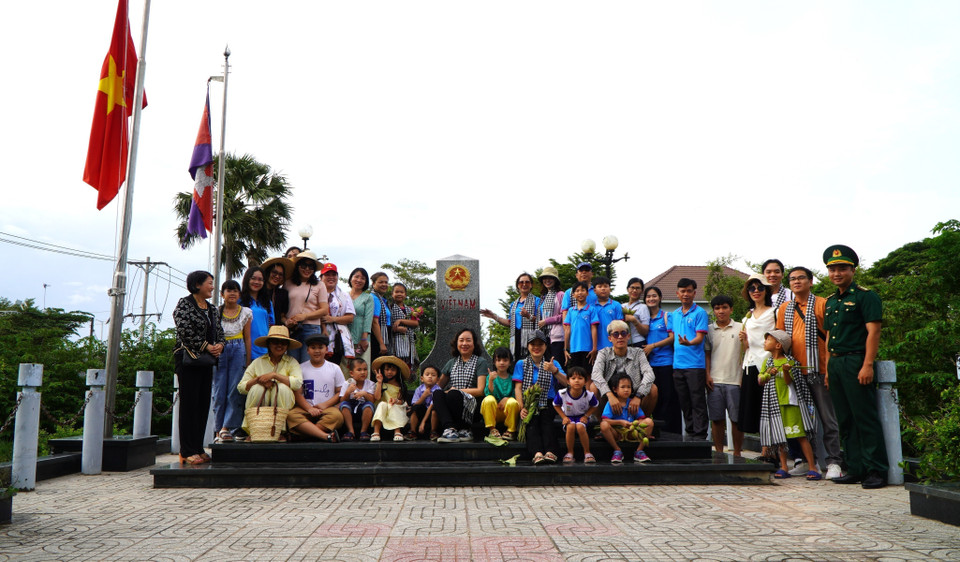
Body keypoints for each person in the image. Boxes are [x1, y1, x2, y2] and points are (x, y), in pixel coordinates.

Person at [823, 244, 888, 489]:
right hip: (836, 363)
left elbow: (874, 332)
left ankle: (876, 470)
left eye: (842, 268)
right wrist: (828, 369)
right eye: (832, 269)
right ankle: (855, 467)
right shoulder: (830, 301)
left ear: (853, 270)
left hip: (856, 360)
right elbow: (828, 337)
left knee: (864, 417)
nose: (837, 273)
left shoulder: (865, 296)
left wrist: (867, 364)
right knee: (845, 419)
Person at [777, 266, 844, 480]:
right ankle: (809, 462)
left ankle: (834, 462)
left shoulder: (823, 304)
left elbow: (832, 337)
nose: (796, 282)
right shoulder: (785, 308)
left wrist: (830, 369)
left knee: (828, 419)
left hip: (820, 370)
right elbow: (780, 340)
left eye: (801, 278)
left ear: (811, 281)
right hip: (795, 372)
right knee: (802, 420)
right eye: (792, 279)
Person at [173, 270, 225, 464]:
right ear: (197, 285)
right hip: (188, 361)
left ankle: (197, 447)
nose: (212, 286)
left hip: (206, 362)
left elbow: (219, 332)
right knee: (189, 405)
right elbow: (184, 330)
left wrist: (220, 345)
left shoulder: (212, 309)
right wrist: (206, 346)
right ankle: (186, 451)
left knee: (203, 405)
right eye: (209, 283)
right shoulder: (184, 304)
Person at [759, 330, 820, 480]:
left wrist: (786, 371)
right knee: (780, 437)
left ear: (778, 345)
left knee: (800, 435)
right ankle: (784, 467)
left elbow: (788, 382)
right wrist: (768, 374)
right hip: (775, 404)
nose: (765, 342)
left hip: (790, 403)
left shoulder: (790, 361)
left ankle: (812, 467)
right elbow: (760, 380)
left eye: (768, 339)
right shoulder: (767, 362)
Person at [237, 325, 303, 441]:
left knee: (282, 389)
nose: (279, 345)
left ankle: (280, 431)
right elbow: (241, 387)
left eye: (283, 343)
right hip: (260, 403)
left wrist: (275, 376)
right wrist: (258, 380)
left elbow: (297, 383)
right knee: (257, 389)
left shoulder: (292, 362)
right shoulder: (257, 362)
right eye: (275, 342)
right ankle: (254, 429)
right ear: (268, 344)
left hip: (282, 402)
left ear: (287, 346)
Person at [514, 330, 568, 465]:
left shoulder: (553, 363)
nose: (536, 347)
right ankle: (537, 453)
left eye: (540, 344)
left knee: (546, 421)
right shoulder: (521, 364)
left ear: (545, 346)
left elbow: (567, 382)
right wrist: (521, 407)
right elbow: (518, 388)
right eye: (533, 344)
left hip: (548, 402)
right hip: (529, 403)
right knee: (531, 423)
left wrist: (554, 371)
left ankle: (551, 451)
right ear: (528, 346)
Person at [668, 278, 709, 441]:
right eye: (683, 291)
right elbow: (671, 337)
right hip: (677, 365)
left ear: (694, 293)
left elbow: (700, 337)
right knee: (684, 402)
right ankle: (690, 433)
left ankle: (700, 435)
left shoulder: (700, 313)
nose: (686, 294)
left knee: (697, 401)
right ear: (677, 293)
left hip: (695, 365)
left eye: (689, 291)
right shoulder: (674, 314)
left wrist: (689, 343)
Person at [738, 273, 776, 444]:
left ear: (766, 290)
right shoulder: (748, 316)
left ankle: (772, 449)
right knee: (754, 410)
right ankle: (764, 448)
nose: (756, 291)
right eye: (752, 288)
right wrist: (744, 340)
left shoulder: (774, 312)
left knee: (769, 409)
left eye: (760, 287)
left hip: (768, 364)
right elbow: (746, 346)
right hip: (750, 364)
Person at [704, 295, 744, 456]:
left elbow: (747, 351)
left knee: (736, 419)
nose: (721, 311)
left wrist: (743, 377)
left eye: (724, 307)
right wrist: (707, 374)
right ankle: (719, 453)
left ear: (731, 309)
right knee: (717, 419)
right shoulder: (708, 330)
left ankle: (737, 453)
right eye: (717, 308)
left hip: (735, 380)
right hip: (714, 380)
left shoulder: (741, 327)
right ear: (714, 311)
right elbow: (707, 354)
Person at [435, 328, 489, 443]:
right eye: (461, 340)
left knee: (454, 394)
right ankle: (450, 429)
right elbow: (438, 386)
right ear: (456, 343)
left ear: (474, 343)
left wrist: (457, 391)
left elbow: (480, 390)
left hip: (472, 406)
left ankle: (465, 428)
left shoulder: (481, 362)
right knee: (437, 393)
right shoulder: (451, 363)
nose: (464, 343)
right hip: (453, 401)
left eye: (468, 340)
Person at [213, 280, 251, 443]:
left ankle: (227, 427)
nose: (232, 293)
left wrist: (248, 361)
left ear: (239, 294)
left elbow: (247, 337)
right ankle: (217, 429)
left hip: (238, 348)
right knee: (218, 390)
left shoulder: (246, 312)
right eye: (229, 290)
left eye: (235, 290)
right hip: (219, 349)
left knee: (234, 390)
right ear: (222, 294)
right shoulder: (215, 312)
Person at [287, 334, 344, 442]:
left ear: (326, 349)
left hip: (327, 408)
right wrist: (309, 408)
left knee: (337, 416)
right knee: (291, 416)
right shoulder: (300, 368)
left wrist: (325, 404)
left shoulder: (335, 368)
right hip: (306, 409)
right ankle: (324, 436)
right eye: (313, 348)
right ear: (308, 350)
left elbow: (340, 392)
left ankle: (305, 434)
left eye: (320, 347)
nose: (317, 351)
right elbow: (297, 393)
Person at [644, 286, 681, 435]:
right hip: (650, 364)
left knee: (668, 398)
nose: (651, 299)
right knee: (655, 398)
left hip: (666, 362)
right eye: (648, 296)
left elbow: (672, 338)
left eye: (654, 296)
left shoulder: (666, 316)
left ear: (660, 298)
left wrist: (653, 346)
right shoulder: (645, 319)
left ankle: (672, 433)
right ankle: (658, 431)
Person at [481, 273, 542, 360]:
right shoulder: (514, 304)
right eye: (521, 282)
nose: (524, 284)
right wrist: (494, 316)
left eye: (527, 282)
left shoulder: (537, 301)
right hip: (516, 337)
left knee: (530, 360)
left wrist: (528, 316)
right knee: (516, 361)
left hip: (530, 337)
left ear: (531, 285)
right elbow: (510, 323)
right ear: (518, 285)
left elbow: (540, 321)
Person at [284, 251, 329, 362]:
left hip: (311, 328)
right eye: (304, 266)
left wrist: (305, 316)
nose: (307, 269)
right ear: (298, 266)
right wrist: (287, 321)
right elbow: (282, 309)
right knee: (292, 363)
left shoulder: (319, 285)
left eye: (311, 266)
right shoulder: (287, 283)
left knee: (307, 363)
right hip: (292, 328)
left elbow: (324, 310)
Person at [599, 373, 654, 464]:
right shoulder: (611, 403)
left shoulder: (633, 403)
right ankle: (617, 450)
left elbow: (641, 418)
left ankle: (639, 451)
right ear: (615, 389)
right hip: (617, 433)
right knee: (603, 425)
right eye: (623, 387)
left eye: (629, 387)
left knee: (649, 422)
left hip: (631, 432)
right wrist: (620, 422)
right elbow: (605, 420)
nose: (626, 390)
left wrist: (635, 423)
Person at [554, 367, 599, 464]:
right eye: (573, 378)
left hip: (581, 416)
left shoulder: (589, 395)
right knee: (570, 427)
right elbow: (556, 405)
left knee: (580, 427)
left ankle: (587, 453)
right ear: (568, 381)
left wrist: (586, 416)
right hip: (568, 416)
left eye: (580, 378)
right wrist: (564, 417)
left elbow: (595, 406)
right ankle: (570, 453)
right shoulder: (562, 393)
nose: (577, 381)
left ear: (585, 381)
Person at [319, 263, 355, 369]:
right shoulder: (315, 292)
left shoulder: (344, 295)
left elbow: (350, 318)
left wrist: (333, 319)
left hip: (338, 339)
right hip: (319, 334)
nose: (331, 277)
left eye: (333, 275)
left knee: (335, 367)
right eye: (327, 274)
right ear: (321, 277)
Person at [480, 347, 521, 440]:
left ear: (510, 362)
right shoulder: (491, 377)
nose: (502, 363)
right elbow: (488, 393)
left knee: (513, 402)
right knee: (488, 400)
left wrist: (506, 399)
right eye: (498, 360)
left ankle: (511, 431)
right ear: (494, 362)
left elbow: (515, 395)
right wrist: (491, 380)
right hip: (494, 412)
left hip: (507, 412)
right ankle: (492, 429)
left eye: (505, 360)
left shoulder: (513, 378)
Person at [370, 356, 410, 442]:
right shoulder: (380, 384)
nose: (389, 372)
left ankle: (397, 431)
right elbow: (377, 397)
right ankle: (376, 432)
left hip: (396, 407)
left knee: (394, 406)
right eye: (387, 369)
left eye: (393, 370)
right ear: (383, 370)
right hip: (383, 407)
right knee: (382, 404)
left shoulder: (400, 386)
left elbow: (401, 401)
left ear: (397, 371)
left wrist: (396, 401)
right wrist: (379, 383)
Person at [339, 357, 379, 441]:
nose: (363, 372)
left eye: (365, 369)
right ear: (351, 373)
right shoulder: (347, 383)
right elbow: (342, 401)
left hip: (363, 409)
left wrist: (364, 394)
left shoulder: (370, 384)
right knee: (344, 405)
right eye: (359, 370)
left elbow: (372, 400)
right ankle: (351, 431)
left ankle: (363, 431)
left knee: (369, 405)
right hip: (351, 409)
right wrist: (348, 392)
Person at [240, 266, 275, 360]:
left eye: (260, 279)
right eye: (253, 278)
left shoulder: (267, 302)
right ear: (247, 279)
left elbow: (271, 325)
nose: (256, 282)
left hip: (264, 348)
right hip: (244, 348)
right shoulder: (240, 300)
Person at [563, 281, 599, 369]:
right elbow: (567, 330)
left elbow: (594, 328)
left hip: (588, 349)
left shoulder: (591, 310)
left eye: (583, 290)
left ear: (587, 293)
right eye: (577, 291)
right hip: (574, 348)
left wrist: (594, 348)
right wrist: (565, 349)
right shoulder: (571, 310)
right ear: (573, 295)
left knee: (588, 373)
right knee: (575, 373)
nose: (580, 293)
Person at [536, 266, 565, 365]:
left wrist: (546, 321)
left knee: (557, 364)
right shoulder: (543, 297)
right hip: (545, 336)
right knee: (546, 365)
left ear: (555, 280)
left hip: (557, 336)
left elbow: (564, 316)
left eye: (550, 278)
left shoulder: (560, 295)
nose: (547, 280)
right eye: (545, 278)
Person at [347, 267, 374, 371]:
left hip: (361, 339)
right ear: (351, 278)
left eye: (362, 278)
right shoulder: (343, 295)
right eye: (356, 277)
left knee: (362, 369)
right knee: (346, 368)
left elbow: (368, 318)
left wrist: (364, 338)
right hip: (345, 338)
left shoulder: (368, 298)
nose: (359, 280)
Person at [390, 283, 419, 375]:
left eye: (401, 292)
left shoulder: (410, 310)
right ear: (392, 294)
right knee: (395, 366)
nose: (399, 294)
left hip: (409, 342)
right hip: (395, 342)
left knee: (407, 368)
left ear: (405, 295)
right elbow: (387, 325)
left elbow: (415, 323)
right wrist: (396, 329)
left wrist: (401, 320)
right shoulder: (390, 308)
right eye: (397, 292)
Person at [407, 365, 441, 441]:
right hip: (422, 411)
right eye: (427, 374)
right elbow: (415, 404)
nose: (430, 377)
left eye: (433, 375)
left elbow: (431, 406)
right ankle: (412, 432)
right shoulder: (419, 389)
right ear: (422, 378)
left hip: (431, 413)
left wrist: (423, 422)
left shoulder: (438, 390)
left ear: (438, 380)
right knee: (415, 408)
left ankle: (433, 431)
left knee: (435, 410)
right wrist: (423, 396)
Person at [593, 276, 624, 351]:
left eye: (606, 286)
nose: (603, 289)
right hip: (596, 347)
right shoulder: (591, 307)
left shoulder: (616, 305)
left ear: (610, 289)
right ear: (595, 290)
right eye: (600, 286)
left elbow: (620, 326)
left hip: (613, 345)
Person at [261, 256, 291, 327]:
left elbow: (281, 316)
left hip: (276, 330)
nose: (277, 276)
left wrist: (287, 322)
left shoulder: (283, 294)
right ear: (267, 272)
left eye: (280, 274)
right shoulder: (258, 291)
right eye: (274, 272)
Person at [369, 271, 392, 359]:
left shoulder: (383, 300)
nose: (384, 284)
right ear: (373, 284)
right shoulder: (373, 298)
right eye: (381, 282)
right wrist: (381, 343)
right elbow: (374, 322)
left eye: (386, 282)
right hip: (377, 338)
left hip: (385, 335)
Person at [624, 277, 650, 349]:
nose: (634, 290)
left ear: (642, 291)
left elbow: (645, 331)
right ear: (627, 289)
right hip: (624, 343)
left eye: (638, 288)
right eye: (632, 288)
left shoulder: (643, 307)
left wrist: (634, 320)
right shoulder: (622, 306)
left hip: (638, 343)